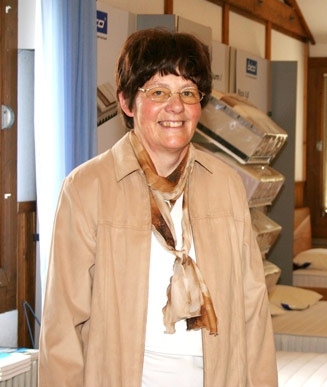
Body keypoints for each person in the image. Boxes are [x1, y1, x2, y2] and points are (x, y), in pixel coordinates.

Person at [39, 28, 278, 386]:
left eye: (188, 92)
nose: (176, 106)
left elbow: (253, 307)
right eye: (158, 92)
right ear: (126, 102)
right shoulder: (88, 188)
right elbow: (63, 323)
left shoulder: (226, 185)